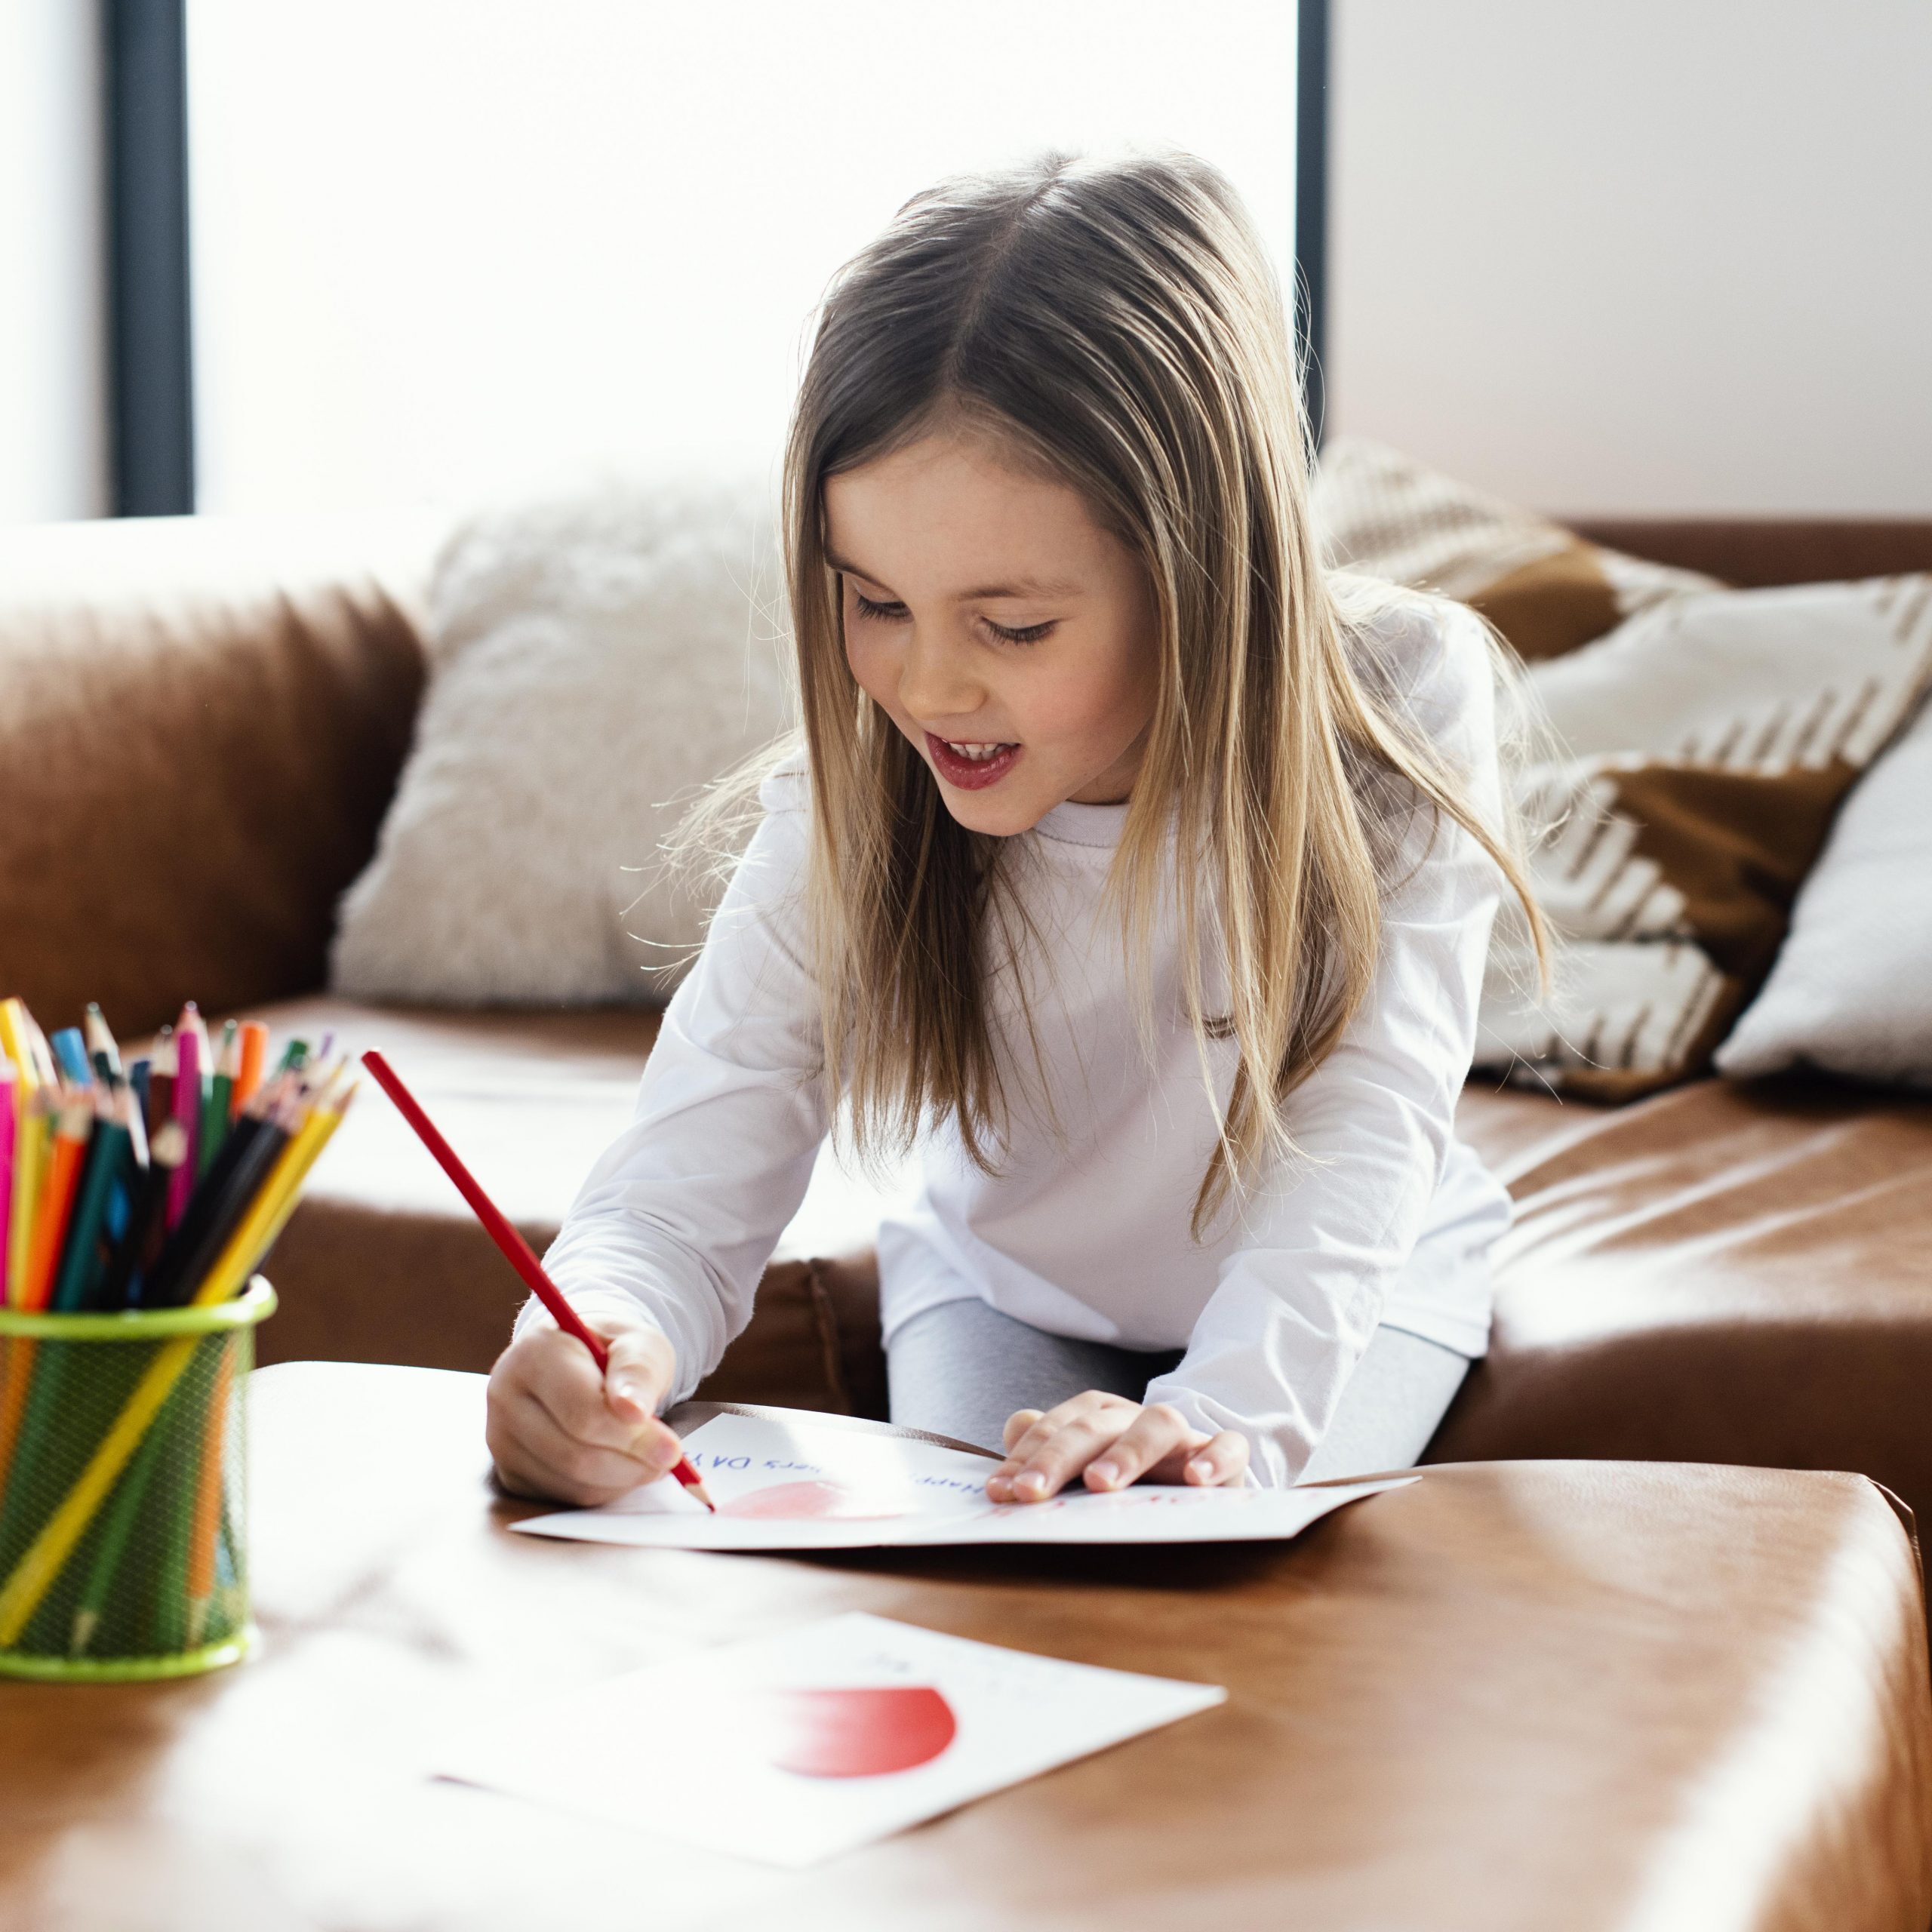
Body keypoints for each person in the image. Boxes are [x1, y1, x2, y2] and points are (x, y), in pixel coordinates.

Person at [485, 151, 1546, 1510]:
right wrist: (595, 1327)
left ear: (1202, 574)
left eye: (1015, 626)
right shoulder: (861, 787)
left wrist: (1226, 1421)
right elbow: (692, 1155)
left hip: (1353, 1291)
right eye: (875, 603)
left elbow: (1364, 1121)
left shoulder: (1394, 700)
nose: (927, 690)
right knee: (1003, 1581)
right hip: (1005, 1285)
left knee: (1198, 1552)